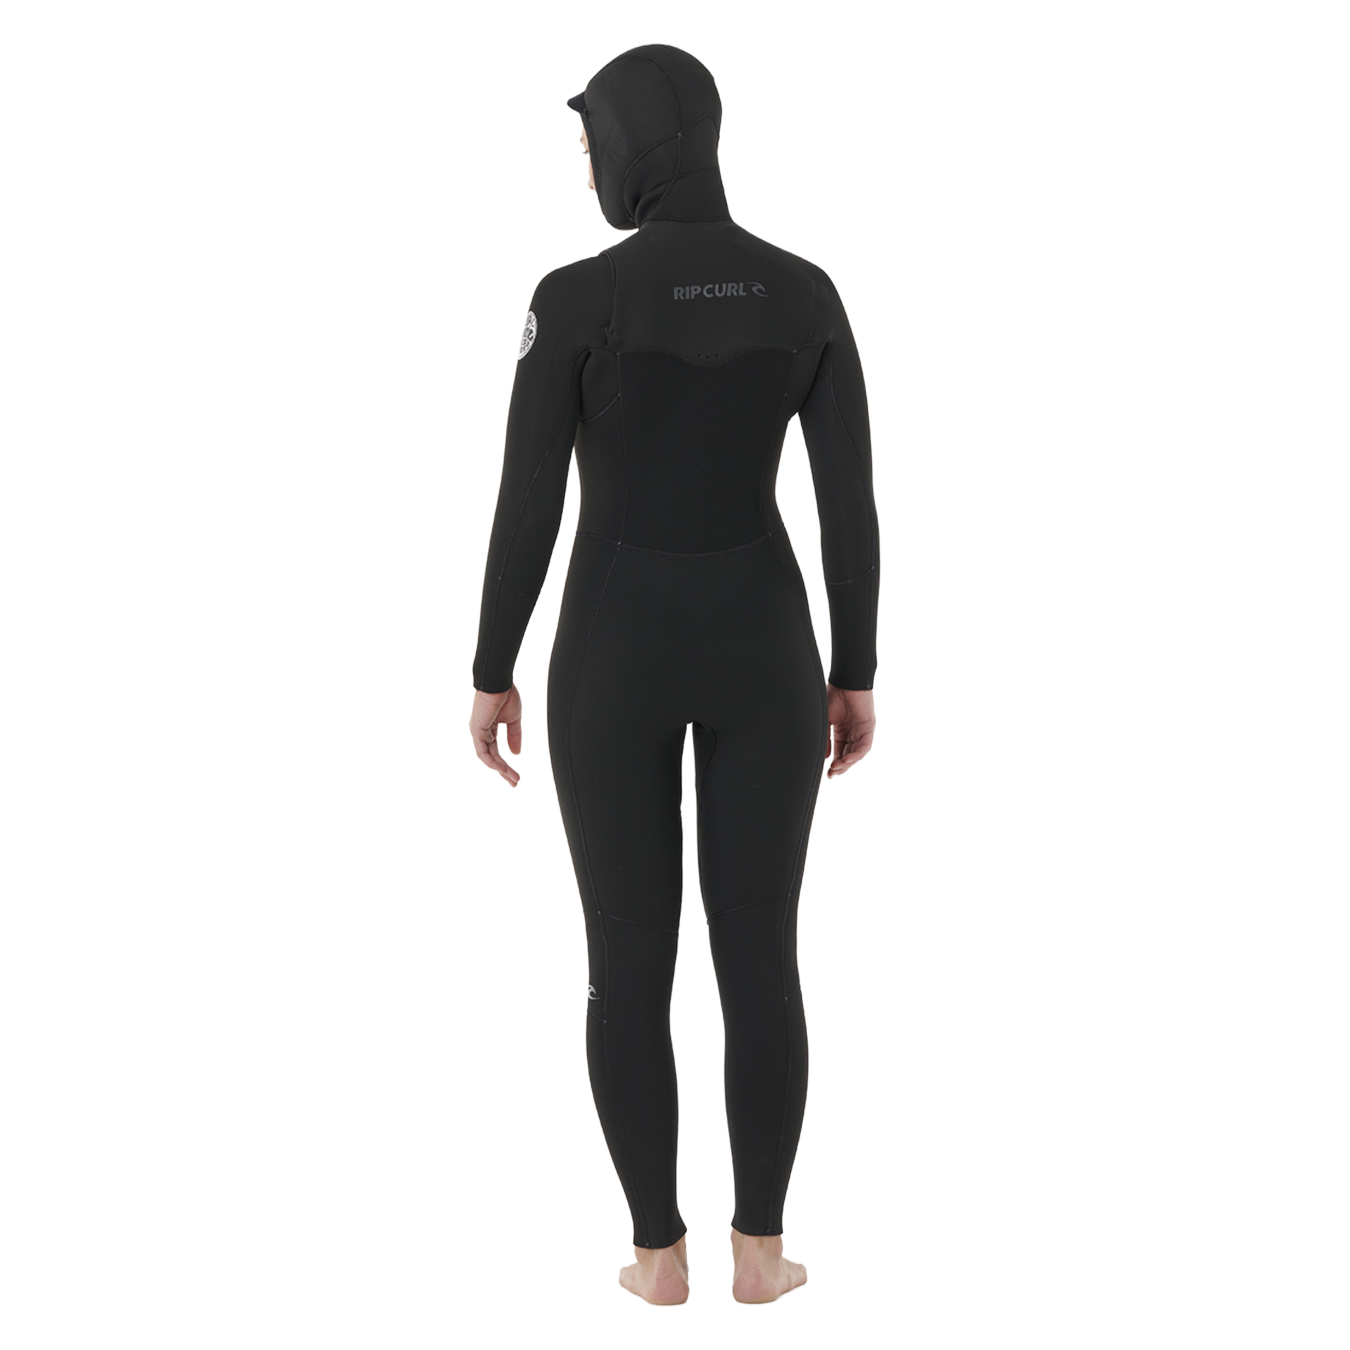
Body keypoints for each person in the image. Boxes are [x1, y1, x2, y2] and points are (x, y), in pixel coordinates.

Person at [468, 43, 878, 1306]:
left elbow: (528, 503)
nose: (586, 164)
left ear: (636, 145)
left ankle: (657, 1259)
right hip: (767, 652)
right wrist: (854, 670)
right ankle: (761, 1254)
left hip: (610, 662)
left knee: (625, 959)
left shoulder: (576, 297)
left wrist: (491, 669)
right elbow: (849, 506)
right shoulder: (805, 292)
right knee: (762, 953)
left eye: (591, 140)